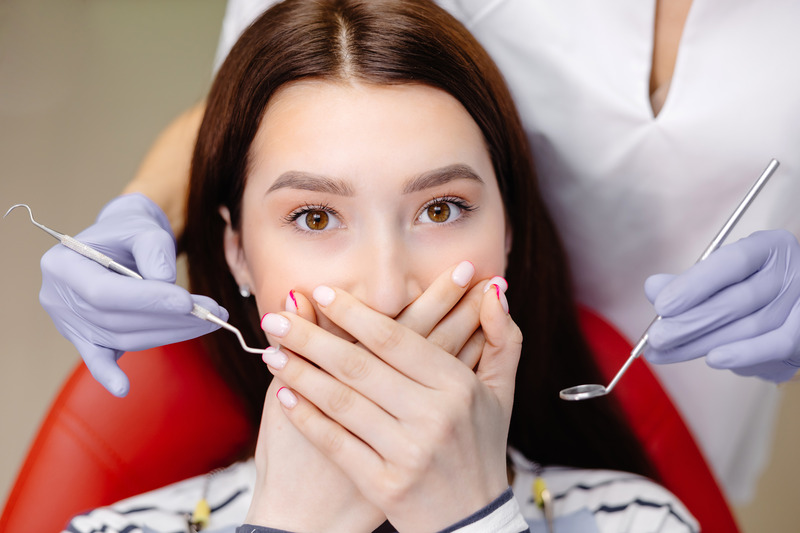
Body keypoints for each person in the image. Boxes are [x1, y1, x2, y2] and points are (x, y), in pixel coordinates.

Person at [39, 0, 800, 504]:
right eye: (313, 217)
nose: (387, 289)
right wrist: (145, 197)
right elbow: (302, 72)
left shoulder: (641, 516)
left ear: (510, 230)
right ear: (236, 250)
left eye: (442, 208)